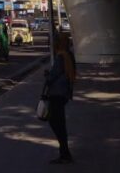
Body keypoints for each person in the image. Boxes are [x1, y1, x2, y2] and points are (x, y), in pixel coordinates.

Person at [44, 32, 76, 164]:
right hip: (64, 93)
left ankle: (64, 152)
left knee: (55, 122)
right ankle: (64, 152)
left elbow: (52, 77)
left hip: (56, 93)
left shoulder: (60, 57)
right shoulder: (69, 55)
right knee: (59, 122)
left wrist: (47, 75)